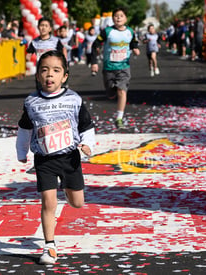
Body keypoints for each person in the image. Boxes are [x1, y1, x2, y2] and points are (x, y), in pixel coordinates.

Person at [16, 50, 95, 265]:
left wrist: (87, 144)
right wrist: (21, 152)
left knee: (77, 203)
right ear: (38, 75)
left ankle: (68, 191)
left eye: (55, 70)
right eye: (44, 70)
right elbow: (24, 129)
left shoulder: (74, 99)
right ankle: (49, 246)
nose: (49, 75)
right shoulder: (31, 102)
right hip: (44, 160)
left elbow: (86, 126)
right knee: (48, 202)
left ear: (65, 76)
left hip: (70, 158)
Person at [91, 7, 140, 129]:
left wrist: (135, 48)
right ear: (113, 18)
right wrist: (94, 62)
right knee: (111, 93)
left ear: (125, 18)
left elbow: (133, 41)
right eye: (116, 16)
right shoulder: (107, 31)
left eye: (121, 16)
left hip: (124, 67)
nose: (118, 18)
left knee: (122, 91)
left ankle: (119, 117)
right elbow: (95, 44)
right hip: (109, 67)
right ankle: (111, 92)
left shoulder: (130, 31)